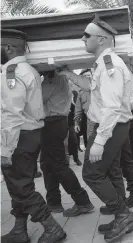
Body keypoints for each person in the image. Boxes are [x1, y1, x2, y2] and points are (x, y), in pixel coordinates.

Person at [57, 15, 133, 242]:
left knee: (91, 173)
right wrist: (69, 74)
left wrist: (99, 140)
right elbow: (94, 89)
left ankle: (123, 214)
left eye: (86, 36)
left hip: (110, 127)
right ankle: (121, 215)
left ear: (101, 40)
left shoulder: (109, 64)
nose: (83, 39)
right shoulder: (103, 63)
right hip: (113, 127)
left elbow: (112, 107)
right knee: (109, 172)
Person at [1, 28, 66, 243]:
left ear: (8, 48)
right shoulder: (28, 69)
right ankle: (20, 229)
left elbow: (11, 113)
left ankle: (51, 227)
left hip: (19, 136)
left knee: (21, 186)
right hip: (31, 134)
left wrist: (5, 149)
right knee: (19, 184)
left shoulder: (12, 72)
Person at [40, 70, 93, 216]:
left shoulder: (54, 79)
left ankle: (82, 201)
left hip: (53, 123)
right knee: (47, 164)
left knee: (57, 164)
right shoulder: (55, 79)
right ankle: (54, 202)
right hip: (52, 123)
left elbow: (35, 98)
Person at [74, 69, 92, 149]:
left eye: (89, 75)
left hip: (103, 121)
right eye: (85, 76)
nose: (87, 77)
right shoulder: (81, 93)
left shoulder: (100, 87)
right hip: (90, 122)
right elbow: (78, 109)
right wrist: (76, 123)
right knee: (91, 144)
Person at [68, 90, 82, 165]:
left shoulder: (72, 104)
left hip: (70, 125)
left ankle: (76, 159)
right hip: (62, 125)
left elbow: (76, 113)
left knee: (74, 142)